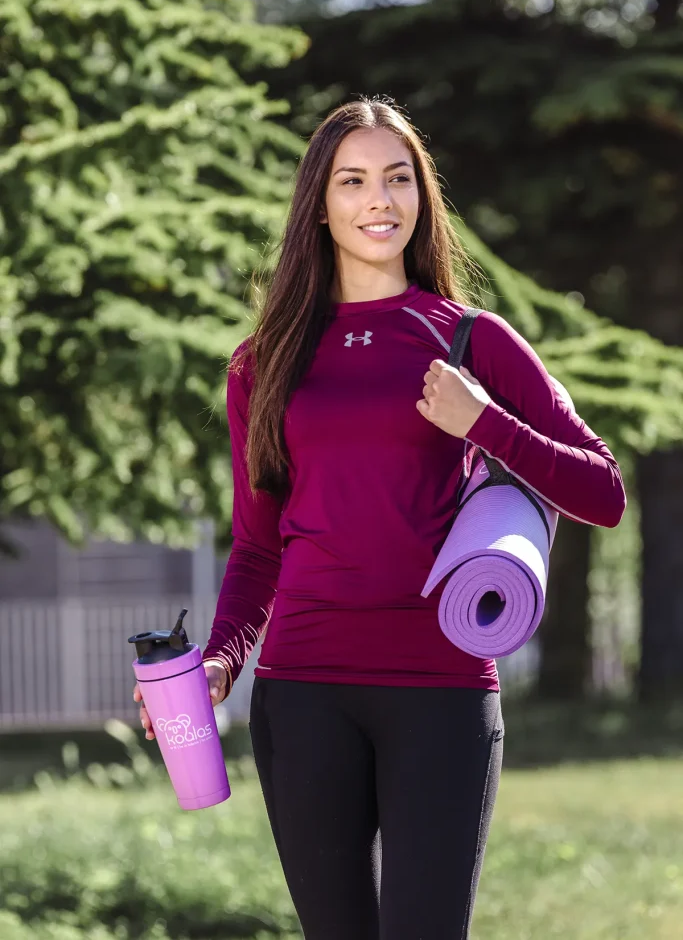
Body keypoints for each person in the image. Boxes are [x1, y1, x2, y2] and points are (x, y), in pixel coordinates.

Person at [135, 97, 626, 939]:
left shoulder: (473, 340)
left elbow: (603, 493)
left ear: (422, 199)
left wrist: (484, 424)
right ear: (319, 205)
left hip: (440, 689)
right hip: (302, 693)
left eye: (398, 180)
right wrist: (219, 662)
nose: (379, 201)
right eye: (353, 181)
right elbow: (258, 544)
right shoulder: (265, 363)